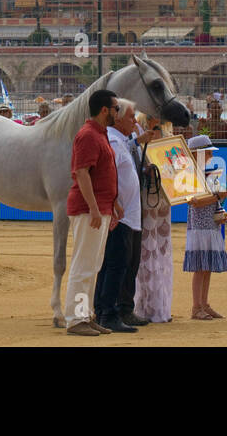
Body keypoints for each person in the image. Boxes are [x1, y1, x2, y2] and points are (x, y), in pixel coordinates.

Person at [63, 88, 121, 336]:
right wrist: (96, 208)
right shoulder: (88, 135)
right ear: (104, 110)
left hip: (98, 208)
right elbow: (82, 173)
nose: (118, 112)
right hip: (89, 209)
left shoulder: (98, 133)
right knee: (84, 265)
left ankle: (85, 315)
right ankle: (76, 319)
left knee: (92, 265)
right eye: (116, 108)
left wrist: (112, 205)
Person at [93, 102, 143, 333]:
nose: (135, 121)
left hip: (129, 215)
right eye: (132, 117)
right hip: (119, 216)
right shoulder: (112, 141)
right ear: (119, 118)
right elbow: (105, 175)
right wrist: (113, 203)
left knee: (122, 265)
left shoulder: (121, 141)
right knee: (115, 266)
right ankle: (108, 313)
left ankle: (110, 311)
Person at [183, 134, 227, 320]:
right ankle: (197, 306)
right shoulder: (193, 173)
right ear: (198, 153)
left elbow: (201, 201)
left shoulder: (201, 172)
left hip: (208, 223)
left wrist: (219, 203)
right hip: (201, 225)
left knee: (206, 266)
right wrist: (219, 196)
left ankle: (203, 304)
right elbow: (195, 202)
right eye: (207, 151)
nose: (210, 154)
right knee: (202, 267)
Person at [132, 123, 174, 323]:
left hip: (163, 204)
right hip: (147, 203)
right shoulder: (138, 147)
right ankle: (143, 306)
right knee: (146, 254)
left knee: (161, 253)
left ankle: (159, 306)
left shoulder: (170, 147)